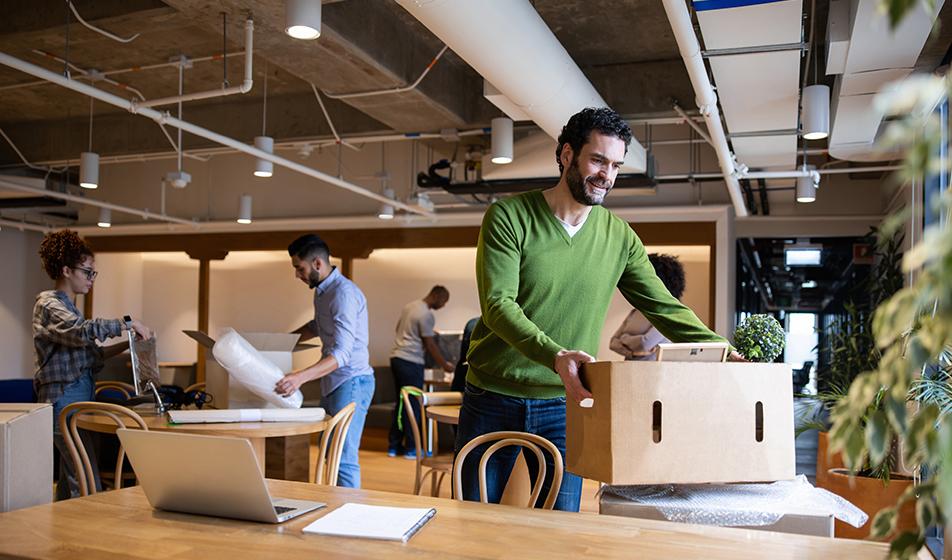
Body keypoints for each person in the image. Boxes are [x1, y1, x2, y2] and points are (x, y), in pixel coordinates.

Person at [456, 107, 738, 512]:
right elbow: (499, 305)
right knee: (472, 518)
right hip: (492, 394)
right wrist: (555, 356)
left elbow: (662, 307)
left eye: (616, 165)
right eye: (598, 160)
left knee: (561, 526)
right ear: (567, 154)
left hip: (566, 402)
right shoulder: (509, 217)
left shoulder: (619, 237)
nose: (607, 174)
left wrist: (721, 350)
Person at [33, 229, 152, 500]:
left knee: (73, 474)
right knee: (84, 476)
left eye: (92, 273)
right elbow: (81, 330)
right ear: (66, 270)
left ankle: (64, 535)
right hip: (63, 397)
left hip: (78, 393)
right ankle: (83, 534)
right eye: (87, 272)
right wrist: (127, 323)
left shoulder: (69, 307)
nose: (91, 279)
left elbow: (92, 355)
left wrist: (130, 344)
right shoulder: (49, 304)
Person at [275, 234, 375, 488]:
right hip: (334, 382)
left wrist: (298, 377)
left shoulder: (343, 294)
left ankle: (351, 519)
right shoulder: (322, 292)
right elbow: (316, 326)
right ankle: (335, 508)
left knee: (343, 456)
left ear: (317, 264)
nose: (297, 275)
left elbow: (342, 354)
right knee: (329, 449)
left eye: (300, 268)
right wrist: (278, 344)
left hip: (352, 381)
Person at [387, 285, 455, 458]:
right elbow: (430, 345)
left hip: (396, 358)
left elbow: (398, 330)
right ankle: (411, 448)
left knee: (402, 403)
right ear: (437, 296)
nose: (443, 306)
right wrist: (445, 365)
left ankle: (394, 447)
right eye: (444, 301)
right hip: (411, 362)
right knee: (414, 405)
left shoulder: (409, 306)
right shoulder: (426, 314)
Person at [610, 254, 686, 360]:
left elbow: (645, 344)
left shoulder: (668, 314)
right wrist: (633, 352)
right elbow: (612, 343)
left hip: (653, 371)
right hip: (628, 369)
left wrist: (623, 339)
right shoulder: (635, 312)